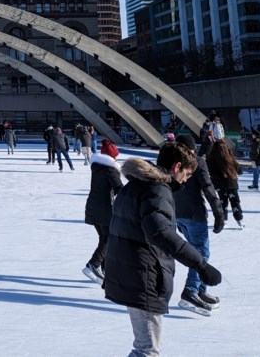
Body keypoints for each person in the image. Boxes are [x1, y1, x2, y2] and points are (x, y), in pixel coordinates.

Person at [104, 141, 222, 357]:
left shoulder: (135, 184)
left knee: (145, 348)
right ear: (177, 167)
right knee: (147, 350)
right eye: (186, 174)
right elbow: (161, 233)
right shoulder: (157, 189)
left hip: (131, 272)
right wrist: (201, 264)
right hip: (144, 276)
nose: (186, 180)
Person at [173, 134, 226, 315]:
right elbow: (208, 188)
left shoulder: (171, 162)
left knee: (196, 252)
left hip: (177, 215)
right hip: (194, 215)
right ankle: (191, 291)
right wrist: (219, 213)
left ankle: (201, 290)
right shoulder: (196, 162)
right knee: (201, 253)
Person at [82, 139, 122, 285]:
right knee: (109, 239)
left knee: (105, 238)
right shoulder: (110, 169)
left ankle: (105, 270)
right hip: (105, 209)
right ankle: (93, 265)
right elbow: (119, 188)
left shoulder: (97, 167)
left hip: (94, 207)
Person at [206, 138, 244, 229]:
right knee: (235, 201)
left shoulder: (211, 159)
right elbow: (239, 170)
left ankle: (224, 220)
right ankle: (239, 219)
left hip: (219, 184)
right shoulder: (229, 157)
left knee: (223, 202)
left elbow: (210, 171)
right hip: (231, 183)